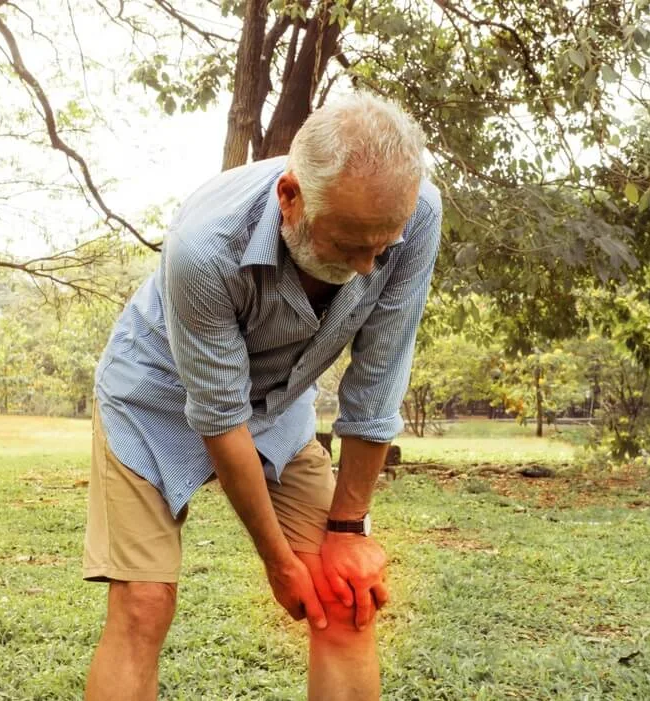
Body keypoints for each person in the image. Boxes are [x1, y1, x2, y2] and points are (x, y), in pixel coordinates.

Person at [83, 91, 442, 701]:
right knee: (144, 604)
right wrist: (278, 562)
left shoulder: (416, 215)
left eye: (380, 247)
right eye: (346, 244)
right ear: (290, 197)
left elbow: (377, 381)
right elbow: (220, 419)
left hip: (280, 402)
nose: (364, 268)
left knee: (342, 595)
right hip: (153, 398)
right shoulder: (204, 244)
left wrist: (348, 531)